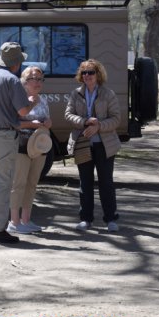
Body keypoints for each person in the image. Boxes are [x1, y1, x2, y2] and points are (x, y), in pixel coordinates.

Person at [0, 41, 38, 244]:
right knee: (3, 184)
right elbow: (22, 111)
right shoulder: (12, 81)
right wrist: (32, 102)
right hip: (5, 136)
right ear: (16, 64)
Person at [65, 59, 122, 232]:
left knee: (106, 183)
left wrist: (99, 126)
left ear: (98, 74)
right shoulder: (76, 93)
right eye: (84, 73)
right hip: (83, 144)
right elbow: (68, 115)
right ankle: (86, 219)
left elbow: (116, 119)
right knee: (85, 183)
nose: (87, 76)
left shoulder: (108, 93)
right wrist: (84, 122)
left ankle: (110, 219)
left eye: (91, 72)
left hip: (104, 145)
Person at [7, 66, 52, 235]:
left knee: (32, 183)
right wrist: (31, 124)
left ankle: (26, 220)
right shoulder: (18, 99)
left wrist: (48, 123)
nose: (38, 82)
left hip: (39, 145)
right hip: (21, 144)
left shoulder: (44, 100)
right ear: (25, 81)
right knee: (18, 183)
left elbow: (48, 120)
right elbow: (13, 122)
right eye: (34, 78)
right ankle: (14, 221)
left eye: (40, 79)